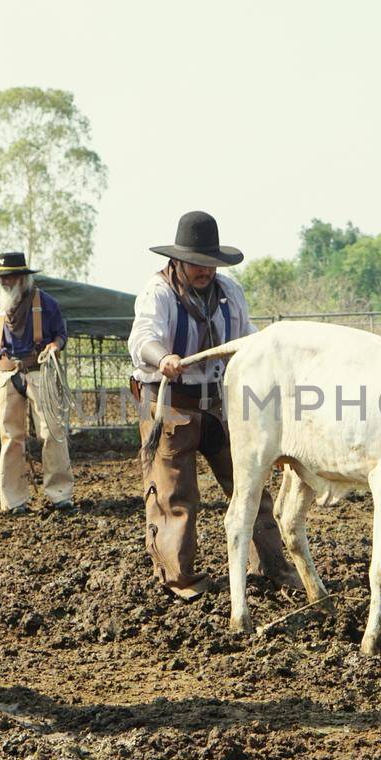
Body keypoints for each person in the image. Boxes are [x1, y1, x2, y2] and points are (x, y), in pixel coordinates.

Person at [127, 211, 301, 599]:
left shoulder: (229, 294)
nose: (205, 271)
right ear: (177, 261)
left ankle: (272, 566)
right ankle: (179, 579)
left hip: (222, 405)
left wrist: (274, 352)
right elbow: (142, 340)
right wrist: (163, 358)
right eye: (196, 263)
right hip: (170, 402)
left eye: (210, 264)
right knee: (174, 493)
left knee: (249, 484)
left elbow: (247, 338)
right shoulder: (158, 293)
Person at [0, 251, 74, 513]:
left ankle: (60, 495)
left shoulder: (47, 304)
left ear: (22, 278)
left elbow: (60, 335)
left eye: (10, 277)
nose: (6, 281)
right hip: (8, 375)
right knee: (11, 438)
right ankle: (13, 501)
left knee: (53, 432)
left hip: (40, 372)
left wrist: (54, 346)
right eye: (2, 278)